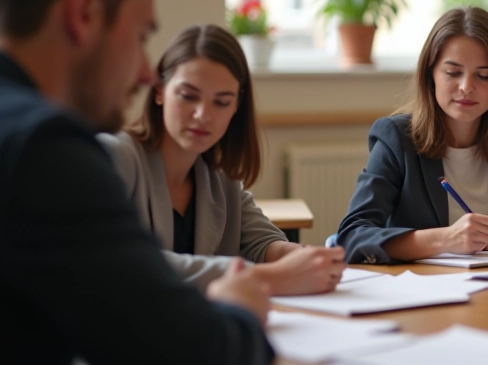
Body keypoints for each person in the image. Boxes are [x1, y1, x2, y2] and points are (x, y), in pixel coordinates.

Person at [0, 0, 274, 365]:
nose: (149, 73)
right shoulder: (46, 151)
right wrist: (240, 308)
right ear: (84, 13)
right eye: (142, 34)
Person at [101, 24, 346, 294]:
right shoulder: (115, 157)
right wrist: (273, 277)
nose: (203, 115)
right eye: (188, 96)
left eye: (221, 102)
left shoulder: (221, 177)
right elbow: (131, 261)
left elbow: (262, 242)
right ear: (159, 91)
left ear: (236, 108)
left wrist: (298, 257)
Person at [332, 7, 488, 263]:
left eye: (484, 75)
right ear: (430, 74)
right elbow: (353, 237)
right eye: (453, 73)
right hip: (422, 288)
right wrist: (446, 239)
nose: (466, 87)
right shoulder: (396, 138)